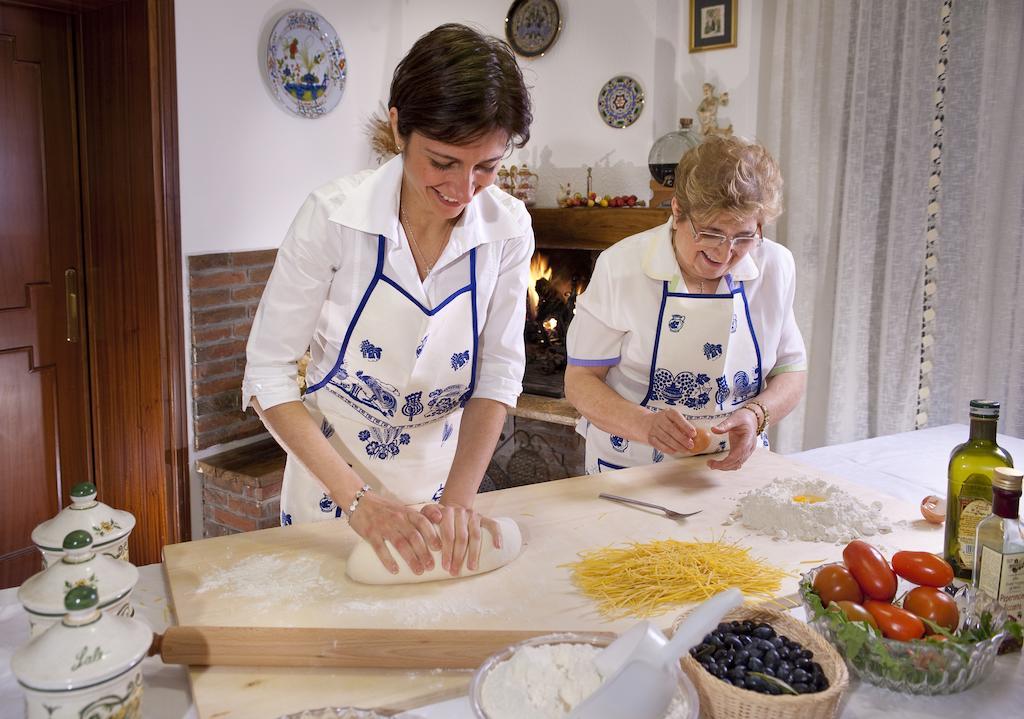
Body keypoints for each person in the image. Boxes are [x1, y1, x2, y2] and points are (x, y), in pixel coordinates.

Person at [242, 24, 534, 578]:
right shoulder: (333, 218)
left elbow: (497, 373)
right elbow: (268, 374)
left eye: (487, 167)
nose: (464, 188)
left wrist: (458, 503)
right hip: (331, 495)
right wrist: (358, 502)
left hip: (441, 490)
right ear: (399, 126)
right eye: (443, 161)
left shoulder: (509, 229)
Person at [564, 135, 806, 474]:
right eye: (710, 232)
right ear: (677, 210)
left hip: (736, 464)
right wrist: (646, 425)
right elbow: (581, 380)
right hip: (632, 466)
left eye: (743, 237)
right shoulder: (621, 266)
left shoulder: (776, 266)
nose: (724, 253)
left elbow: (791, 370)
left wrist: (756, 415)